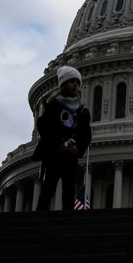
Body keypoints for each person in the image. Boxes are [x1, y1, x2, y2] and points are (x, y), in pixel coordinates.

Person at [32, 66, 91, 211]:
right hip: (54, 152)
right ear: (64, 84)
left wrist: (79, 147)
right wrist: (57, 143)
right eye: (72, 81)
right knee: (49, 186)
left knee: (69, 187)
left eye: (77, 82)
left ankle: (67, 217)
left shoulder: (82, 111)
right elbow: (43, 125)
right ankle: (39, 217)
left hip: (70, 154)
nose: (75, 85)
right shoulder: (54, 106)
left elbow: (86, 133)